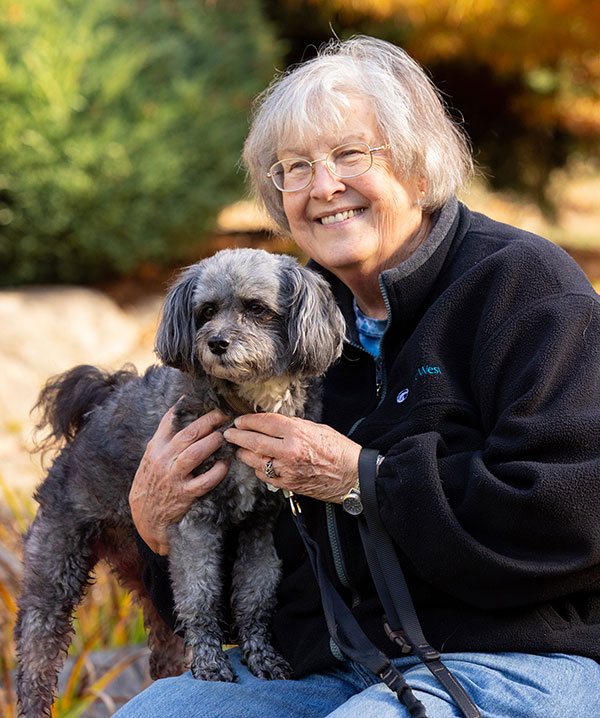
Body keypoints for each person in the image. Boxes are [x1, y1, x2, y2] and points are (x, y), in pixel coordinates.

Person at [116, 36, 600, 717]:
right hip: (336, 667)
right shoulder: (291, 318)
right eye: (295, 168)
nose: (322, 187)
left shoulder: (523, 289)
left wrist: (363, 479)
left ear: (418, 166)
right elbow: (247, 584)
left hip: (514, 658)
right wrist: (157, 524)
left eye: (350, 156)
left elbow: (571, 515)